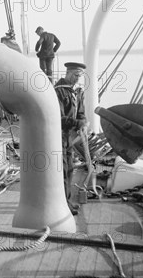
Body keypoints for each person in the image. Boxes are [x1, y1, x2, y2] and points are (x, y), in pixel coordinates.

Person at [54, 61, 88, 216]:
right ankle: (62, 204)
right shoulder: (58, 92)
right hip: (58, 136)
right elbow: (58, 117)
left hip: (70, 138)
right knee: (61, 171)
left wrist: (83, 122)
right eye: (75, 75)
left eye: (79, 76)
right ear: (67, 73)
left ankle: (66, 202)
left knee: (69, 169)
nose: (76, 79)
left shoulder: (78, 92)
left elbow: (81, 112)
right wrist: (77, 122)